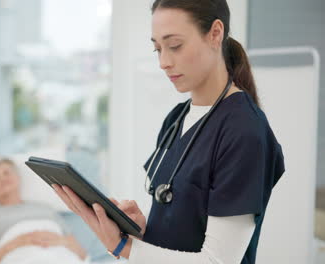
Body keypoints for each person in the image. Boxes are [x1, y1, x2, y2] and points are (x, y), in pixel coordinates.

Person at [53, 0, 285, 263]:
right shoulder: (177, 118)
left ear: (215, 33)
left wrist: (122, 247)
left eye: (175, 46)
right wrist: (143, 231)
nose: (163, 62)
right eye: (157, 49)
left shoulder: (244, 131)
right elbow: (181, 229)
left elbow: (217, 261)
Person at [0, 158, 88, 264]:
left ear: (18, 177)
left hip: (60, 255)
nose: (3, 179)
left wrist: (61, 241)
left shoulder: (46, 209)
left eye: (6, 173)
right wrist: (14, 244)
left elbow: (82, 255)